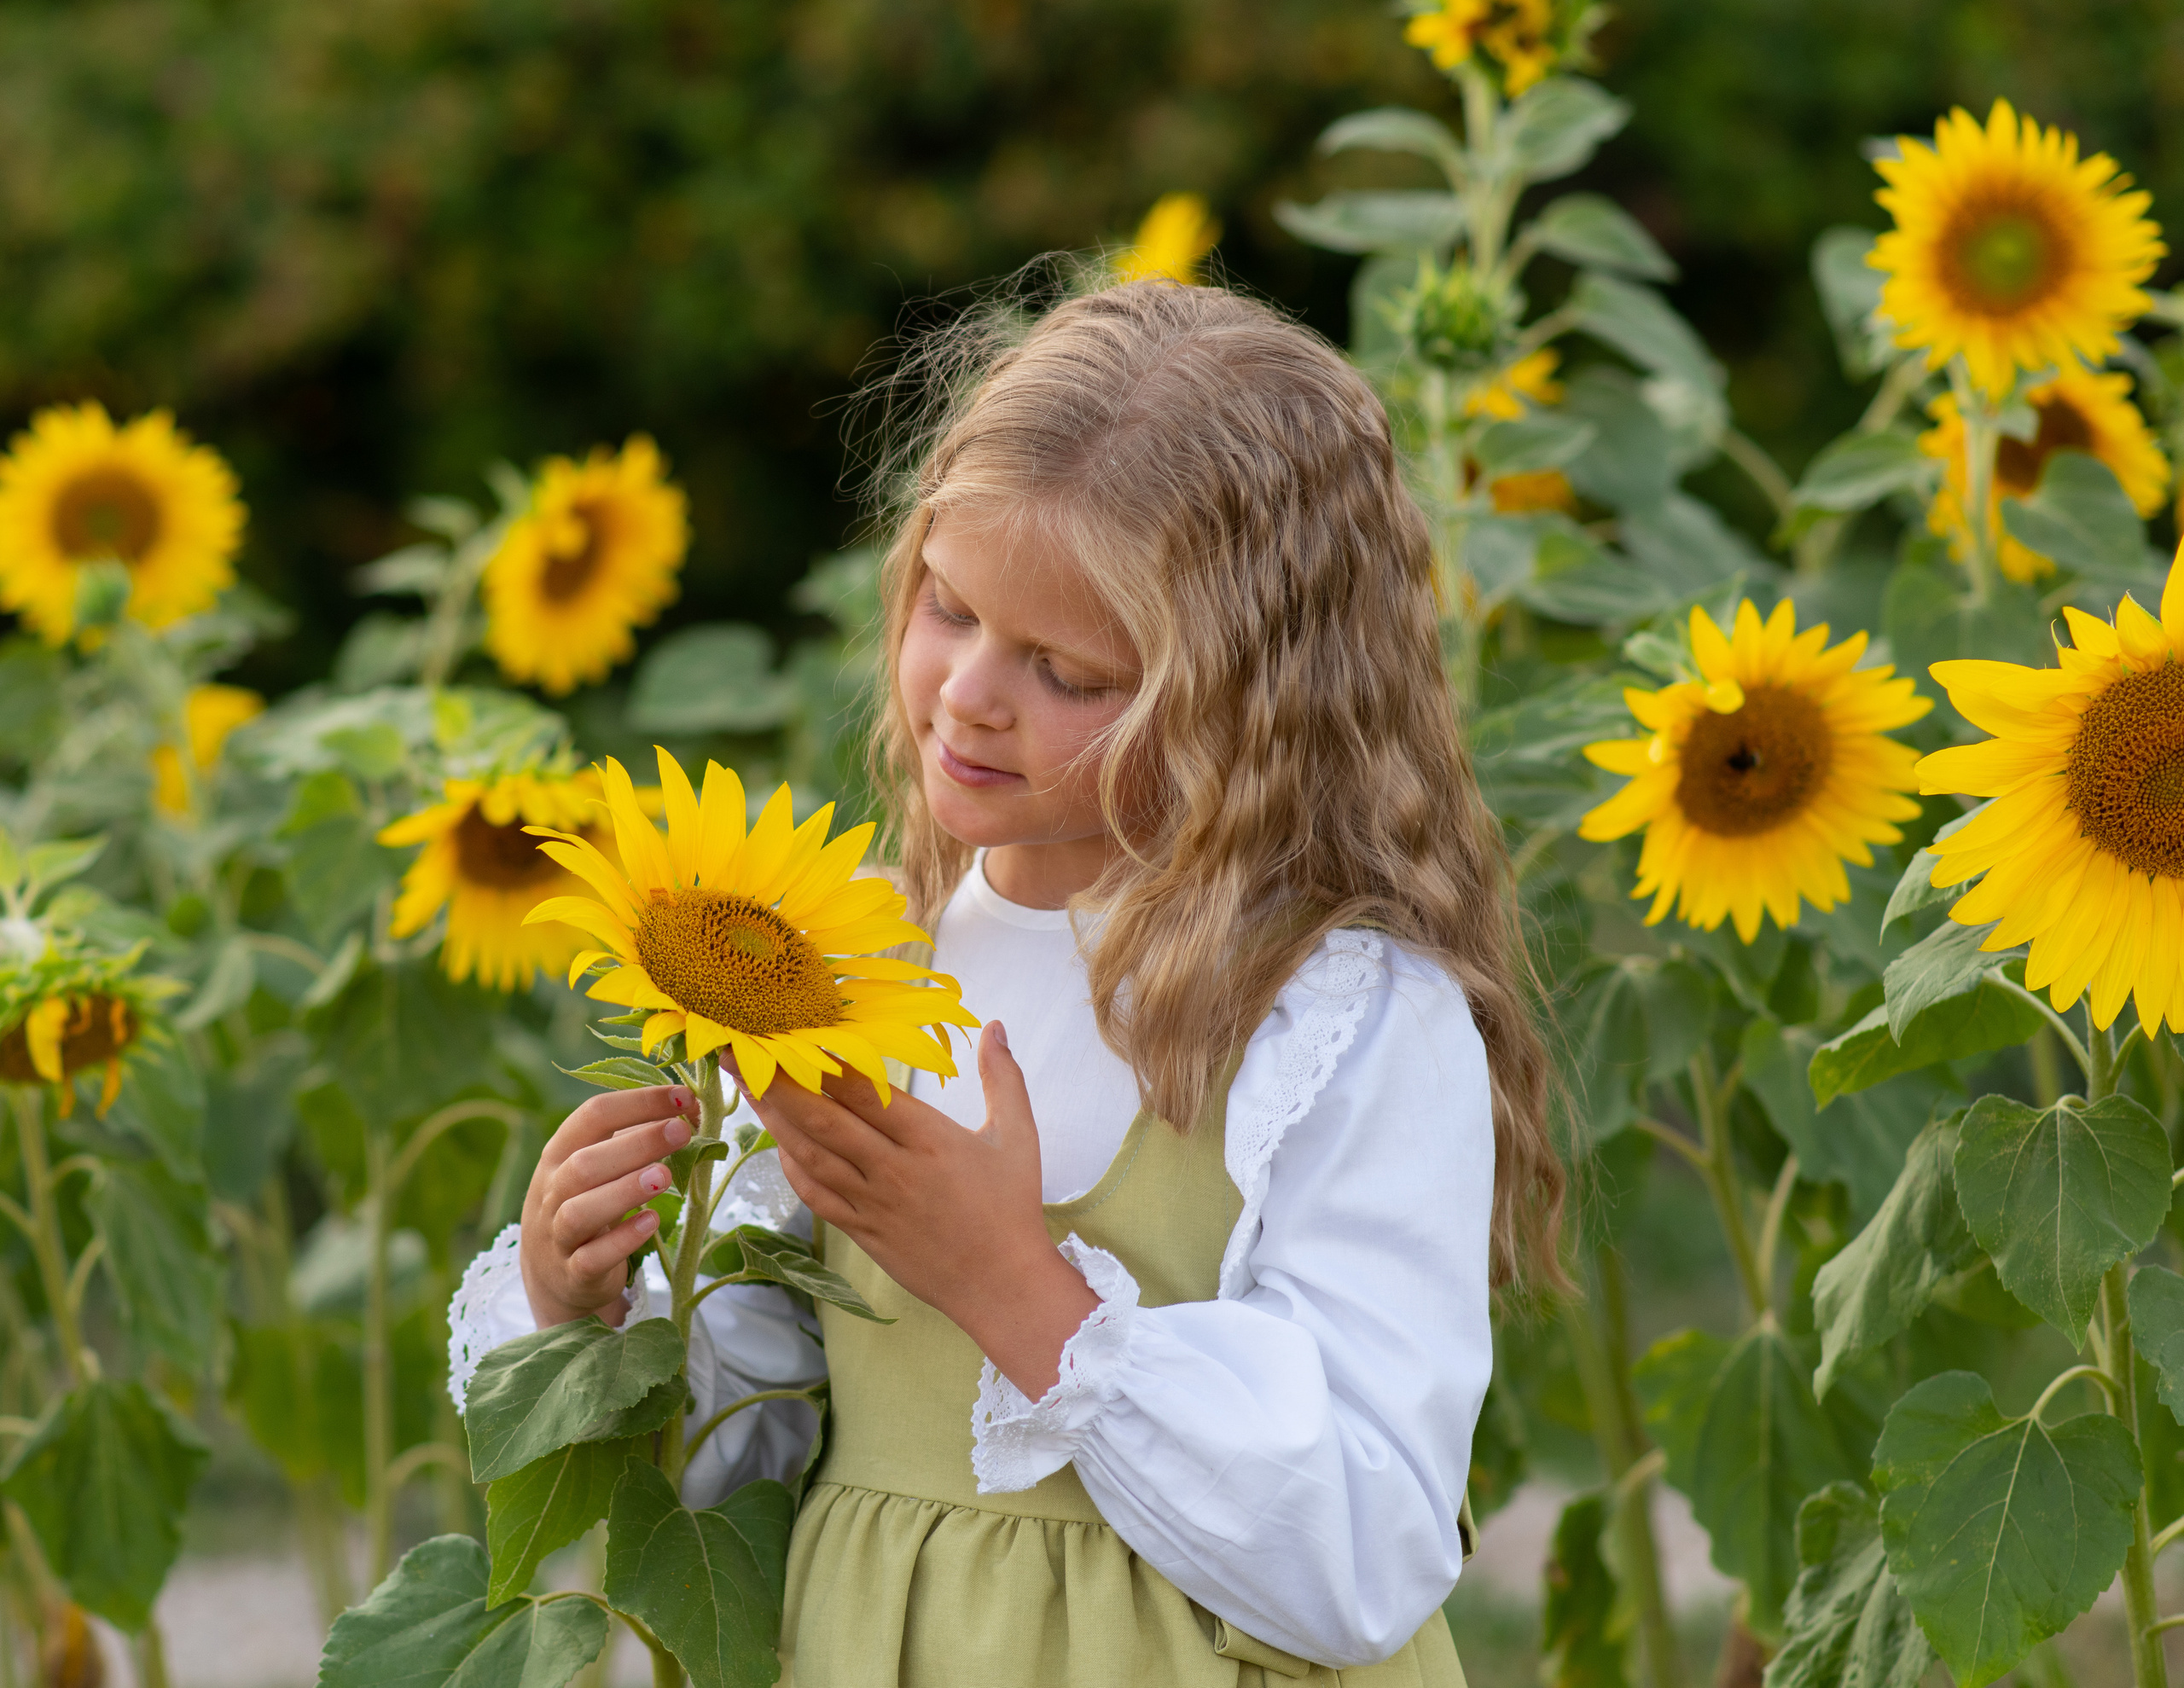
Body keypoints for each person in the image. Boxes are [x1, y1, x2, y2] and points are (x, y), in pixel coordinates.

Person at [446, 276, 1565, 1685]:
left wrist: (1015, 1291)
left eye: (1067, 672)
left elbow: (1364, 1553)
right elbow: (746, 1443)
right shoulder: (849, 973)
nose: (970, 694)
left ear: (1250, 706)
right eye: (949, 607)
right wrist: (585, 1301)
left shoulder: (1333, 1019)